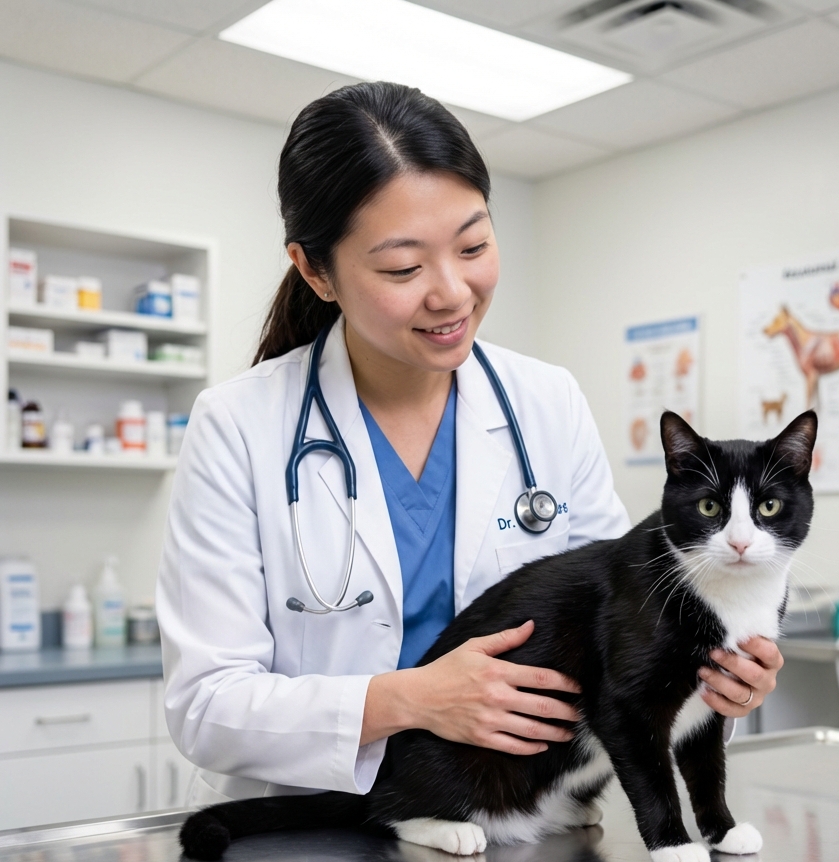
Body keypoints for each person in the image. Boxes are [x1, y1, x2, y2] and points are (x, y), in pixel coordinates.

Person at [156, 82, 782, 807]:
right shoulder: (239, 425)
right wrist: (410, 699)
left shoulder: (545, 403)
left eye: (474, 245)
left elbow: (631, 626)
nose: (452, 292)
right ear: (314, 270)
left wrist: (721, 680)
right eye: (402, 268)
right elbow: (207, 705)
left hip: (508, 826)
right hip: (303, 839)